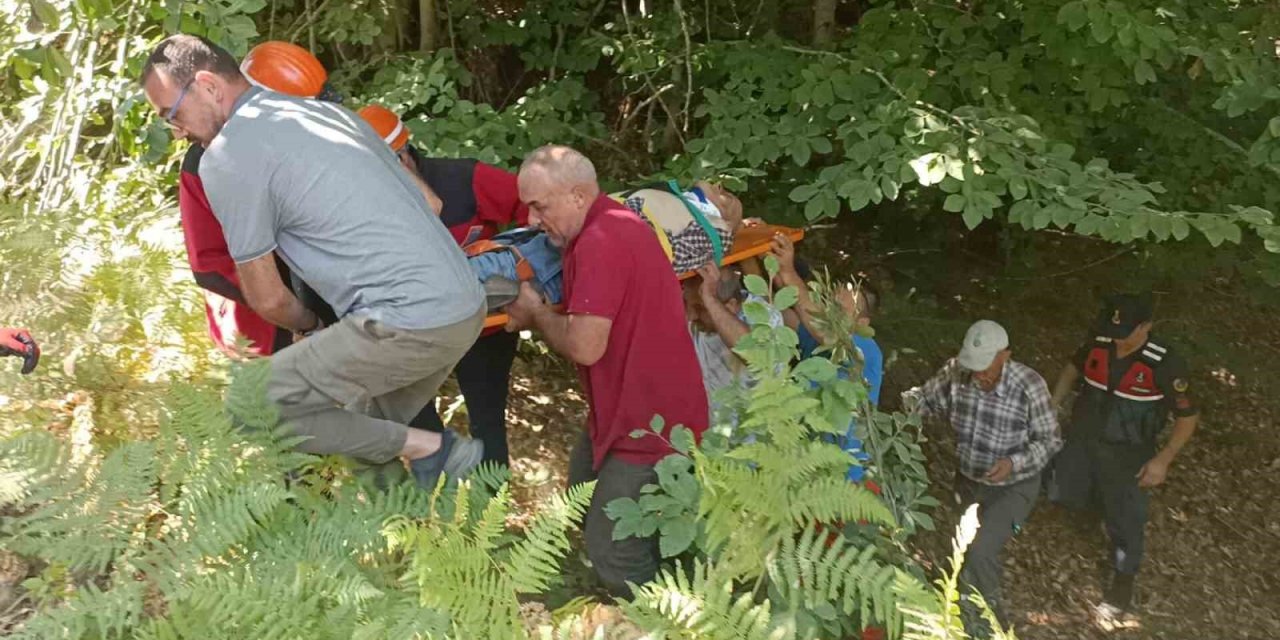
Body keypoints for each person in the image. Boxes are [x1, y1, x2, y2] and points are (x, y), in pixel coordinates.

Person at [141, 34, 486, 490]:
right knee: (367, 441)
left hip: (405, 319)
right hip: (465, 305)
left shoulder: (227, 156)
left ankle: (433, 448)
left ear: (208, 85)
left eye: (173, 114)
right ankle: (405, 526)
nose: (177, 131)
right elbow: (431, 203)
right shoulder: (327, 114)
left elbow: (269, 298)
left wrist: (310, 325)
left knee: (253, 407)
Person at [503, 145, 708, 597]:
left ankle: (675, 620)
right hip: (631, 413)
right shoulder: (611, 224)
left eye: (540, 206)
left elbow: (585, 344)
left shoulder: (601, 241)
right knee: (582, 496)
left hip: (652, 424)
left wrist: (536, 314)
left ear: (577, 195)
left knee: (614, 549)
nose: (532, 220)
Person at [357, 105, 529, 467]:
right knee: (417, 423)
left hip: (484, 327)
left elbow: (535, 210)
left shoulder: (465, 180)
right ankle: (440, 490)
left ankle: (490, 497)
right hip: (417, 334)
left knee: (488, 422)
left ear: (403, 158)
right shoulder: (365, 206)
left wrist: (528, 277)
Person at [178, 40, 337, 357]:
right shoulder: (205, 163)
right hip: (268, 325)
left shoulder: (324, 136)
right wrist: (293, 313)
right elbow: (208, 264)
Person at [1049, 293, 1199, 623]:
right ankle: (1090, 512)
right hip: (1083, 439)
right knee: (1065, 489)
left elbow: (1187, 417)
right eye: (1113, 329)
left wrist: (1163, 460)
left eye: (1125, 332)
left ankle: (1121, 587)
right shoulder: (1100, 341)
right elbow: (1073, 368)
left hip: (1128, 452)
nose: (1117, 338)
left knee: (1126, 520)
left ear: (1146, 327)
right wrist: (1054, 404)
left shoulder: (1164, 363)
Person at [909, 320, 1061, 633]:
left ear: (1005, 356)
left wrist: (1013, 462)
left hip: (1015, 486)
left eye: (985, 366)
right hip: (968, 480)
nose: (978, 373)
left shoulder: (1029, 385)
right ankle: (965, 618)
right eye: (973, 365)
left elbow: (1050, 440)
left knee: (981, 550)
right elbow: (923, 401)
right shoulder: (956, 373)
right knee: (963, 551)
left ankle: (991, 623)